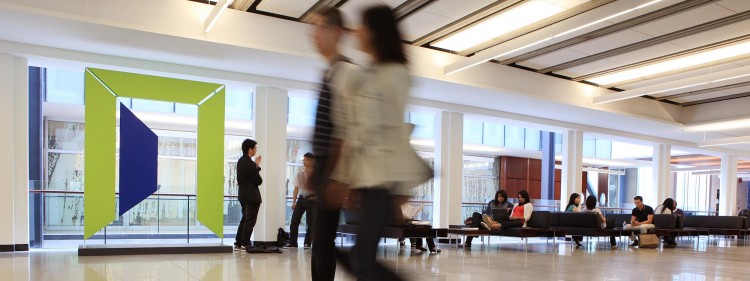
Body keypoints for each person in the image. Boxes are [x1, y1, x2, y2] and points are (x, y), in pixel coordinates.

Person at [329, 5, 428, 280]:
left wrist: (401, 189)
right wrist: (346, 179)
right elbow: (357, 134)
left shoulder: (394, 74)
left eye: (362, 25)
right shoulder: (370, 73)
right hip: (370, 182)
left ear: (375, 31)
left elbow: (393, 133)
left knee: (362, 262)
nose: (357, 31)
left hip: (382, 184)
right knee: (360, 260)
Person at [307, 7, 358, 281]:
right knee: (322, 239)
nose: (313, 34)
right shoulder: (329, 72)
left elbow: (348, 129)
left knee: (323, 240)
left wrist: (340, 177)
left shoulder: (345, 71)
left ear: (336, 31)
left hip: (336, 167)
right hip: (328, 166)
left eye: (319, 27)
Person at [235, 139, 263, 251]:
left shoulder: (241, 161)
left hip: (243, 195)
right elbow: (258, 180)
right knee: (250, 221)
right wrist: (256, 165)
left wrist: (255, 165)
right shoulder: (249, 163)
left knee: (245, 219)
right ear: (250, 149)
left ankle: (238, 242)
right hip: (252, 197)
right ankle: (245, 243)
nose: (256, 149)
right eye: (255, 147)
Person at [288, 152, 316, 248]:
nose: (304, 161)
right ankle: (292, 243)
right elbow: (296, 188)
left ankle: (307, 243)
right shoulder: (300, 173)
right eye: (303, 159)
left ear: (311, 161)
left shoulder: (316, 174)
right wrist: (294, 202)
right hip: (301, 198)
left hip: (312, 199)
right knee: (294, 221)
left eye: (306, 160)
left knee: (311, 222)